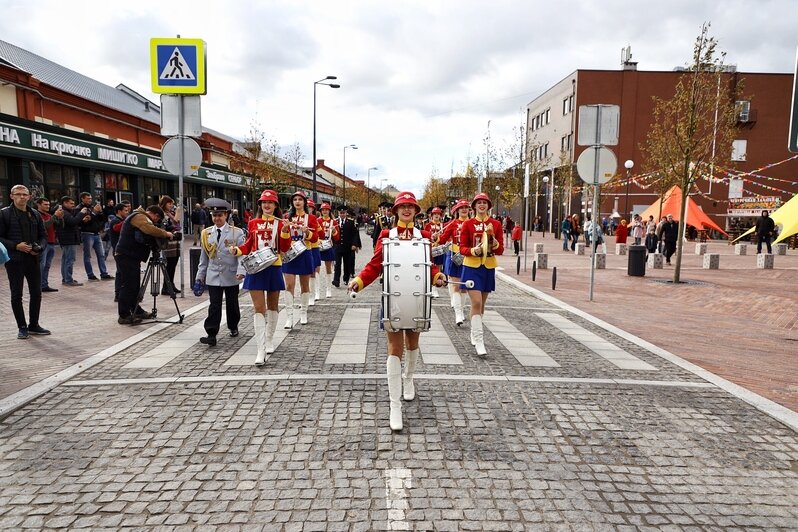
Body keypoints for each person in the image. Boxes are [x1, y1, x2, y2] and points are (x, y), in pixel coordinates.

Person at [348, 191, 446, 431]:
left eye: (410, 207)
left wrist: (438, 276)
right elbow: (374, 265)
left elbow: (428, 265)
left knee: (413, 344)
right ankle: (395, 405)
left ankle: (409, 378)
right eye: (402, 207)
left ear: (416, 211)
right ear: (395, 211)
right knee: (394, 349)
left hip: (417, 297)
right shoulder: (386, 235)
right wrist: (359, 281)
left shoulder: (424, 237)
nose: (406, 210)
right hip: (393, 297)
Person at [231, 190, 291, 364]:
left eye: (270, 202)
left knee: (273, 306)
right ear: (260, 205)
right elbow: (249, 244)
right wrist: (238, 250)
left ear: (276, 206)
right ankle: (260, 349)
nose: (266, 205)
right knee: (259, 308)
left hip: (274, 267)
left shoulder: (280, 224)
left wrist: (286, 231)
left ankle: (270, 339)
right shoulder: (253, 222)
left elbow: (285, 248)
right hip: (256, 268)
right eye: (264, 202)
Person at [0, 185, 51, 339]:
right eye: (18, 194)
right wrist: (16, 246)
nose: (22, 197)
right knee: (17, 294)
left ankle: (34, 324)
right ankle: (22, 327)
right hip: (14, 260)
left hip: (33, 259)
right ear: (12, 196)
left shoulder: (35, 214)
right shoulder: (4, 214)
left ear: (29, 197)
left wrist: (40, 248)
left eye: (25, 194)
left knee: (36, 293)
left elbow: (43, 236)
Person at [459, 192, 503, 357]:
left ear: (489, 206)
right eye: (479, 203)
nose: (482, 205)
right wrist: (473, 250)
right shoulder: (468, 224)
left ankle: (474, 330)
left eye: (485, 203)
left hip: (488, 267)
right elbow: (462, 247)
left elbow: (500, 249)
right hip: (471, 266)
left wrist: (493, 239)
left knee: (481, 304)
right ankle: (479, 340)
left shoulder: (496, 224)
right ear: (474, 206)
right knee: (476, 301)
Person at [196, 202, 245, 347]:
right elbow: (203, 257)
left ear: (226, 215)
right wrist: (200, 276)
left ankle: (233, 325)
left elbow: (241, 254)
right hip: (213, 275)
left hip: (230, 274)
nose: (217, 218)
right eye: (214, 215)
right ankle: (211, 333)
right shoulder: (206, 233)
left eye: (220, 215)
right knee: (214, 304)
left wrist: (241, 271)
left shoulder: (237, 232)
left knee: (232, 304)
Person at [114, 205, 174, 324]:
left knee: (135, 285)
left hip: (131, 256)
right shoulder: (139, 216)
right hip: (126, 255)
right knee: (129, 285)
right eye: (156, 220)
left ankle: (136, 310)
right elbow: (149, 229)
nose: (155, 222)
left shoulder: (139, 216)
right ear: (154, 215)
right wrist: (165, 234)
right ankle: (124, 315)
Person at [281, 191, 320, 328]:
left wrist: (307, 232)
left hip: (305, 253)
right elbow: (282, 238)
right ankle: (289, 317)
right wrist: (285, 229)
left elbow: (315, 238)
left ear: (304, 202)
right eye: (295, 199)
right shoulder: (286, 217)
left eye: (300, 199)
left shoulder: (311, 218)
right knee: (289, 285)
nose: (297, 202)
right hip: (290, 254)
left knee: (304, 285)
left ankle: (303, 312)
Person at [438, 199, 470, 326]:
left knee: (464, 288)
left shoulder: (473, 223)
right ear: (456, 211)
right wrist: (436, 238)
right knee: (456, 286)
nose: (463, 210)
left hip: (468, 258)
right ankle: (458, 313)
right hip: (455, 258)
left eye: (466, 207)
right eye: (461, 208)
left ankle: (461, 309)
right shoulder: (452, 224)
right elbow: (443, 238)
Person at [77, 191, 113, 281]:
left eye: (90, 198)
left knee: (101, 255)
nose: (90, 200)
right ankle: (90, 275)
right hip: (87, 234)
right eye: (88, 198)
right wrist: (94, 213)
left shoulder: (93, 207)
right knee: (87, 255)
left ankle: (104, 274)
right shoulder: (79, 209)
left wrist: (100, 212)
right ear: (82, 199)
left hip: (97, 234)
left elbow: (101, 219)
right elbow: (82, 222)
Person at [54, 196, 83, 286]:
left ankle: (66, 278)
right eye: (71, 203)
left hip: (67, 239)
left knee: (65, 259)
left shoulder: (65, 212)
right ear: (65, 203)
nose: (73, 205)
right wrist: (81, 213)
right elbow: (72, 222)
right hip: (69, 239)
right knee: (69, 260)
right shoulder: (64, 212)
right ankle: (68, 279)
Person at [36, 197, 63, 293]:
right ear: (38, 205)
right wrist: (55, 216)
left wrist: (60, 217)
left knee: (47, 266)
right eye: (45, 204)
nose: (48, 206)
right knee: (41, 266)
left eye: (48, 204)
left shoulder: (48, 215)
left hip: (51, 243)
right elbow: (45, 225)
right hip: (43, 244)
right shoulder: (37, 215)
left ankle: (44, 285)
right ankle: (37, 286)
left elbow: (60, 226)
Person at [158, 196, 181, 295]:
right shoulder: (162, 214)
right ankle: (165, 287)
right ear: (164, 204)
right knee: (169, 266)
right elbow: (171, 225)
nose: (171, 205)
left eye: (172, 203)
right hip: (168, 242)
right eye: (169, 203)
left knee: (174, 264)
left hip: (175, 242)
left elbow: (178, 225)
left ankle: (171, 284)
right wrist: (178, 213)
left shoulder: (170, 213)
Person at [316, 202, 339, 298]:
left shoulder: (334, 222)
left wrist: (334, 231)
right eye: (323, 210)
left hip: (328, 246)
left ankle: (328, 289)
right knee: (316, 269)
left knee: (328, 268)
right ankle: (317, 291)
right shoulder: (317, 220)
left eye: (326, 210)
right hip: (318, 245)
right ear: (321, 211)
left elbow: (337, 238)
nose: (325, 211)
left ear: (329, 211)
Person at [332, 206, 358, 287]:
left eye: (343, 213)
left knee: (347, 264)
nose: (342, 214)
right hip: (338, 246)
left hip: (347, 247)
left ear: (346, 213)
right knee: (337, 264)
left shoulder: (350, 222)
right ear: (338, 213)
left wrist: (354, 244)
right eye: (340, 213)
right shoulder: (335, 222)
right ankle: (336, 280)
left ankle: (346, 278)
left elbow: (355, 234)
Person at [424, 207, 445, 298]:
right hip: (431, 249)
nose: (437, 216)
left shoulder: (442, 225)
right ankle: (431, 288)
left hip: (439, 249)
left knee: (439, 268)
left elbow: (444, 236)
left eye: (438, 214)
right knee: (431, 267)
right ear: (431, 215)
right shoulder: (428, 225)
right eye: (435, 214)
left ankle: (436, 286)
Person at [306, 199, 322, 304]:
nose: (308, 209)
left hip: (314, 247)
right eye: (307, 206)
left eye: (310, 207)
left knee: (314, 271)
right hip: (304, 248)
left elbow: (321, 234)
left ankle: (316, 292)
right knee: (306, 273)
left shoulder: (314, 219)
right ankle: (307, 294)